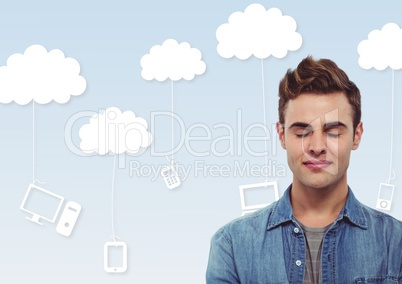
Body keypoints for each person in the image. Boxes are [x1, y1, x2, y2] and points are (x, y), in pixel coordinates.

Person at [206, 56, 402, 283]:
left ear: (356, 136)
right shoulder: (231, 245)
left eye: (333, 132)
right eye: (301, 132)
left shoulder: (395, 243)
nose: (316, 147)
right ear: (281, 136)